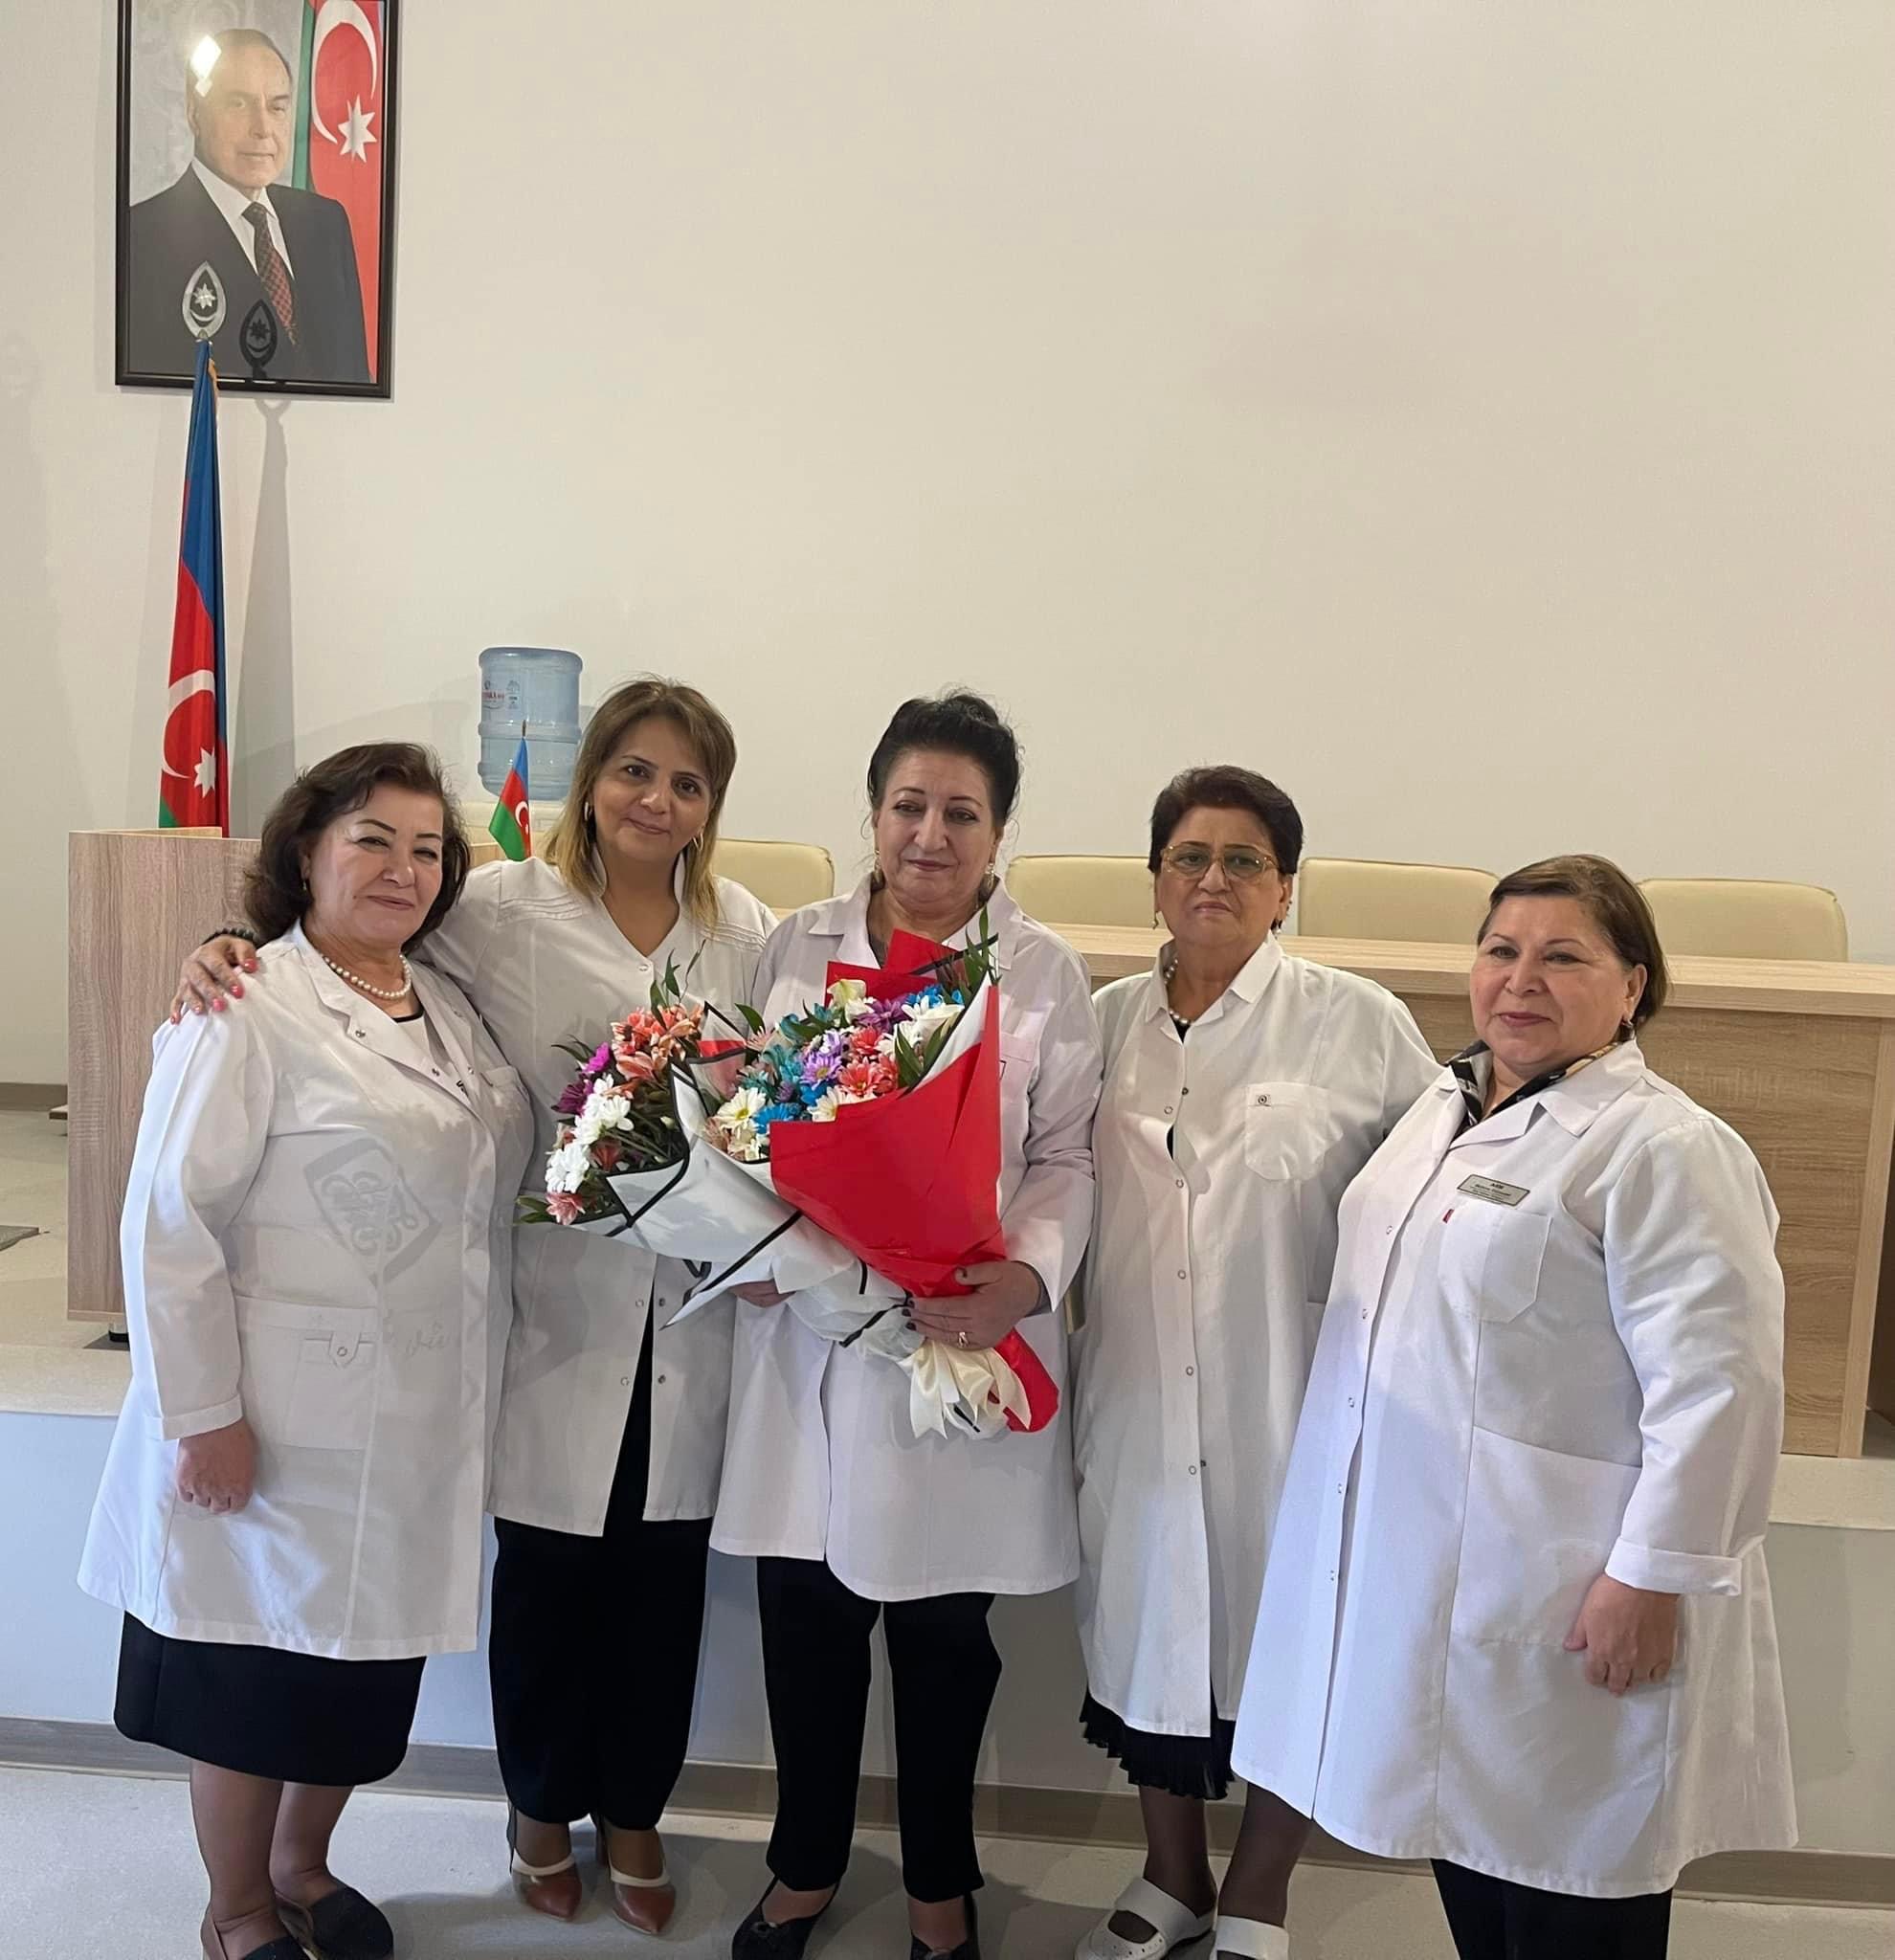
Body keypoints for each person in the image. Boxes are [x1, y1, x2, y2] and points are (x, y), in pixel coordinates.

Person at [173, 679, 775, 1934]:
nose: (657, 800)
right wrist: (230, 945)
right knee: (548, 1587)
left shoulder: (745, 931)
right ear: (590, 780)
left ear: (712, 804)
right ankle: (540, 1809)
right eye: (634, 769)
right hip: (551, 1309)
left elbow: (774, 1093)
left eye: (688, 781)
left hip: (693, 1311)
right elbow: (350, 957)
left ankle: (635, 1814)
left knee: (661, 1592)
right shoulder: (500, 906)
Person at [1209, 856, 1795, 1960]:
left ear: (1633, 986)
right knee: (1476, 1869)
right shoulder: (1441, 1108)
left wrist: (1654, 1574)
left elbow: (1721, 1385)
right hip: (1433, 1577)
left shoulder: (1665, 1147)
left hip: (1575, 1593)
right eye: (1501, 950)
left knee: (1575, 1891)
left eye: (1562, 956)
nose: (1520, 979)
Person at [81, 746, 532, 1960]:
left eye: (427, 848)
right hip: (273, 1413)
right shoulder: (248, 1001)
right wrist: (203, 1414)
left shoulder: (444, 1003)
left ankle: (304, 1862)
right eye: (372, 838)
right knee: (251, 1676)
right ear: (305, 851)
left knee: (354, 1671)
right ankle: (236, 1907)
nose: (402, 867)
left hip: (417, 1411)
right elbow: (168, 1218)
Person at [712, 692, 1104, 1960]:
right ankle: (805, 1867)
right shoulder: (795, 947)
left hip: (952, 1337)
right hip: (810, 1336)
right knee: (806, 1629)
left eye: (961, 813)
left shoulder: (1040, 970)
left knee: (942, 1639)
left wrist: (1025, 1280)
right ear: (873, 812)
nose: (931, 835)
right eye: (909, 805)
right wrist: (746, 1238)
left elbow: (1067, 1154)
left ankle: (941, 1882)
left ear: (1000, 833)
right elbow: (748, 1122)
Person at [1070, 768, 1438, 1960]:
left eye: (1244, 860)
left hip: (1289, 1394)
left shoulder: (1357, 1021)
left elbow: (1431, 1193)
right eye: (1189, 855)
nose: (1213, 878)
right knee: (1147, 1627)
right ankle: (1171, 1874)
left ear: (1285, 889)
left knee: (1294, 1638)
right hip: (1134, 1386)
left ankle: (1260, 1890)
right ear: (1155, 880)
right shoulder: (1102, 1023)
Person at [125, 29, 370, 386]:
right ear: (195, 113)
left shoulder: (326, 223)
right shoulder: (140, 238)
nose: (263, 128)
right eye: (238, 104)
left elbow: (356, 378)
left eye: (277, 107)